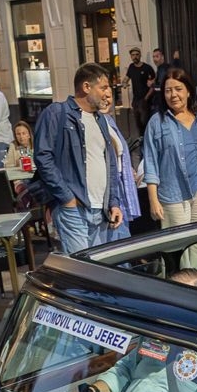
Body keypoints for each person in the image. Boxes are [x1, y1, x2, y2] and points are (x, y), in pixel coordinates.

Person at [37, 62, 139, 256]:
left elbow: (109, 164)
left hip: (101, 209)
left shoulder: (101, 119)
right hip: (74, 208)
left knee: (99, 270)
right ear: (86, 87)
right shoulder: (57, 113)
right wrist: (67, 198)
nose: (108, 92)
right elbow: (43, 157)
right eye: (103, 87)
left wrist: (114, 202)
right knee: (82, 271)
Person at [142, 67, 197, 263]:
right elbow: (151, 163)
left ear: (188, 91)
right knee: (179, 248)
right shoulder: (157, 121)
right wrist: (153, 200)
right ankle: (182, 287)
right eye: (168, 90)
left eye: (178, 89)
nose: (173, 95)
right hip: (173, 195)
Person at [126, 48, 156, 127]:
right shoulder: (131, 67)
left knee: (146, 123)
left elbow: (153, 85)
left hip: (145, 100)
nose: (135, 57)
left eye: (137, 55)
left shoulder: (147, 68)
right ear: (131, 57)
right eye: (133, 55)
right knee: (138, 123)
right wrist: (124, 83)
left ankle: (147, 138)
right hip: (135, 100)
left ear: (140, 55)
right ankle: (141, 138)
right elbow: (126, 78)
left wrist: (146, 99)